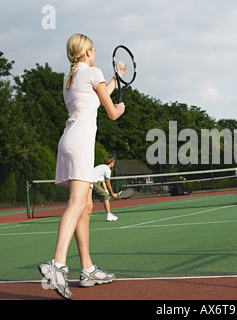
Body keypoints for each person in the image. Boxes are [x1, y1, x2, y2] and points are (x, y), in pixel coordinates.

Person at [38, 34, 126, 300]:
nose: (96, 52)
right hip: (80, 145)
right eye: (94, 49)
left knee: (86, 206)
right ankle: (57, 264)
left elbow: (97, 99)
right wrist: (120, 109)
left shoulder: (72, 78)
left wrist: (115, 79)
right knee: (77, 204)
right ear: (87, 52)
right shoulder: (92, 71)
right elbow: (110, 112)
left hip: (70, 142)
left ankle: (87, 269)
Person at [93, 155, 119, 221]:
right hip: (94, 182)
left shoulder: (102, 167)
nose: (114, 163)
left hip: (89, 182)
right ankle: (109, 215)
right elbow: (108, 183)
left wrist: (106, 190)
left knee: (87, 200)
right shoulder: (107, 169)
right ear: (111, 162)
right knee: (106, 197)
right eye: (114, 161)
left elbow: (103, 181)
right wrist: (112, 194)